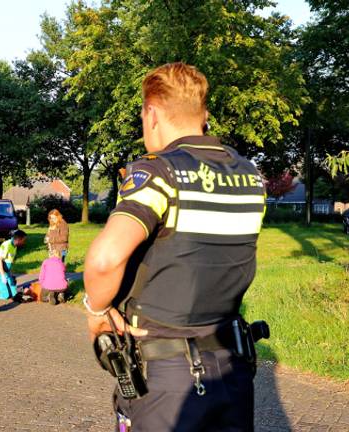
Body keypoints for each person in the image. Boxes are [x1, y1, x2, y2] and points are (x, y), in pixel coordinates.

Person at [83, 63, 267, 431]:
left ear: (151, 114)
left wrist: (96, 309)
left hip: (167, 379)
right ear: (204, 115)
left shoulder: (158, 173)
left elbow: (105, 259)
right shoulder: (250, 176)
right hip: (232, 370)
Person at [0, 230, 27, 302]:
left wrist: (10, 274)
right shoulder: (7, 245)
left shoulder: (14, 246)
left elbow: (9, 262)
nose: (24, 242)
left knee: (14, 292)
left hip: (6, 270)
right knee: (5, 296)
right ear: (18, 239)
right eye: (23, 240)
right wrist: (3, 275)